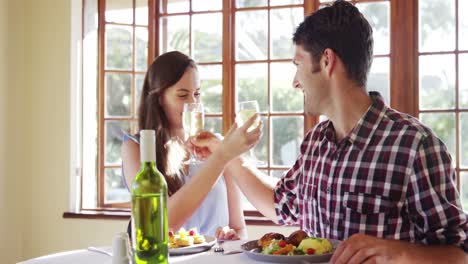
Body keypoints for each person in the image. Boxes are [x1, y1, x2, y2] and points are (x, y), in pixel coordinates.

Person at [192, 1, 468, 262]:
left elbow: (460, 254)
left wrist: (397, 254)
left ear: (326, 61)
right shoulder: (315, 142)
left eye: (298, 64)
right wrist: (224, 152)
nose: (295, 82)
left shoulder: (416, 145)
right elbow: (280, 205)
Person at [121, 51, 261, 240]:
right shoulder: (136, 148)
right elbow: (161, 224)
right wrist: (220, 159)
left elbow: (239, 228)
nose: (193, 103)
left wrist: (231, 237)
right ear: (159, 98)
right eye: (183, 95)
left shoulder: (217, 146)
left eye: (197, 94)